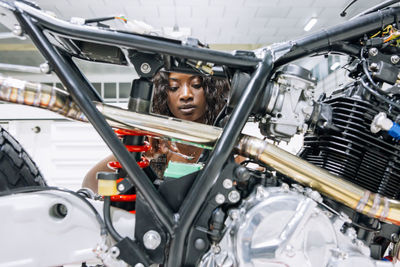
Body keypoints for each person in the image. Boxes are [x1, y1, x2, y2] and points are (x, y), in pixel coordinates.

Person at [82, 70, 230, 192]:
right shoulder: (155, 150)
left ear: (211, 91)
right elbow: (90, 185)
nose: (185, 95)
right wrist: (135, 154)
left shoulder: (226, 151)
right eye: (174, 87)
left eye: (196, 85)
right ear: (164, 96)